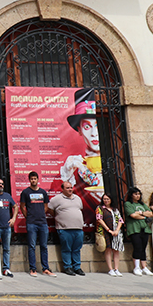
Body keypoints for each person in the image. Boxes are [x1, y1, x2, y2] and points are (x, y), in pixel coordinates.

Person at [58, 88, 102, 228]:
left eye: (97, 126)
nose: (95, 134)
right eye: (88, 127)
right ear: (79, 130)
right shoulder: (75, 165)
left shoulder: (113, 162)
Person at [20, 171, 55, 277]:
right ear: (29, 180)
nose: (33, 180)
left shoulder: (43, 192)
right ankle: (33, 269)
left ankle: (45, 268)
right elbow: (22, 206)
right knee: (32, 246)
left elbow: (46, 206)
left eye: (35, 178)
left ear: (38, 179)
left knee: (44, 246)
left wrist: (41, 215)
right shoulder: (25, 192)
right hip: (31, 223)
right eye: (31, 179)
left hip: (43, 223)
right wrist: (29, 216)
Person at [48, 181, 85, 276]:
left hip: (78, 228)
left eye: (71, 187)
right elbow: (49, 209)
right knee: (66, 249)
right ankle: (68, 267)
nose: (70, 189)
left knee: (76, 249)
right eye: (67, 188)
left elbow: (79, 209)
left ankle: (77, 267)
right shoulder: (57, 199)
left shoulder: (77, 198)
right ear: (62, 189)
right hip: (64, 229)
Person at [124, 187, 153, 276]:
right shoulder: (128, 204)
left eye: (139, 194)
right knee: (137, 247)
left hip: (144, 228)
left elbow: (151, 214)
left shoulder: (142, 204)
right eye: (135, 194)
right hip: (134, 228)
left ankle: (144, 267)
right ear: (131, 195)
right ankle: (136, 267)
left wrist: (140, 213)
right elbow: (133, 215)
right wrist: (144, 216)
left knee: (143, 248)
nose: (137, 196)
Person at [95, 193, 124, 276]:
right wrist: (109, 230)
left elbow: (120, 220)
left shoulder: (115, 209)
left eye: (108, 199)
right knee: (108, 249)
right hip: (106, 232)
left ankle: (116, 268)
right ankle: (110, 269)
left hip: (116, 232)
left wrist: (117, 230)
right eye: (104, 199)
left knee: (116, 250)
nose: (106, 201)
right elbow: (99, 219)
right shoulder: (100, 208)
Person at [0, 178, 18, 277]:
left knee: (6, 249)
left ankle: (6, 268)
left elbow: (16, 207)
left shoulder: (7, 196)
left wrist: (13, 218)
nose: (1, 185)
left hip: (6, 227)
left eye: (2, 184)